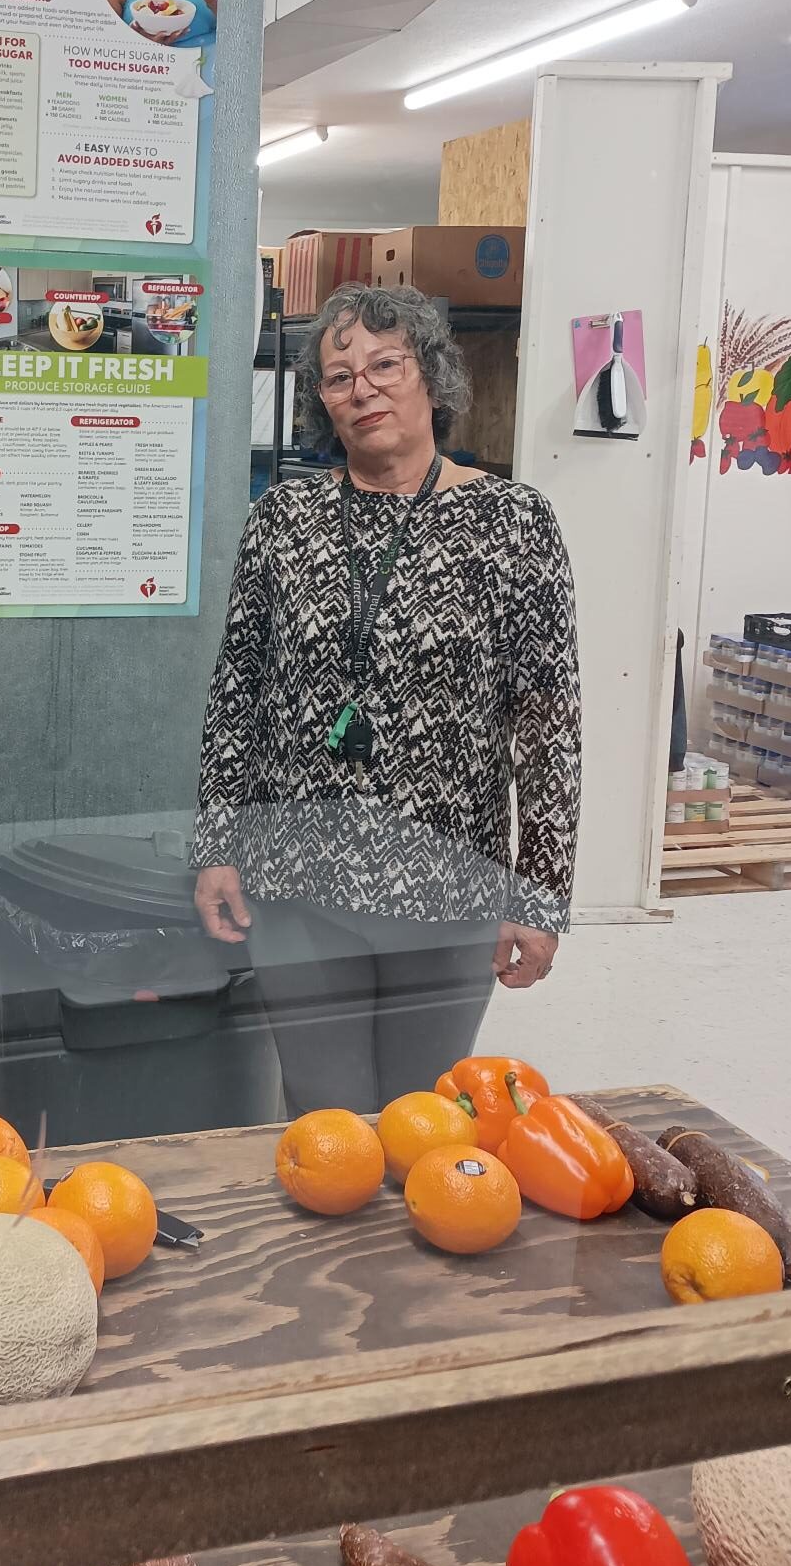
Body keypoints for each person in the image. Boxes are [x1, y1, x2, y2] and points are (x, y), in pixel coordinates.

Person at [193, 283, 582, 1118]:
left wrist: (541, 896)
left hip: (449, 887)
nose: (361, 387)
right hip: (295, 880)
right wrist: (216, 845)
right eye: (338, 377)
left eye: (384, 364)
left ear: (431, 380)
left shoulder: (514, 524)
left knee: (423, 1123)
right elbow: (236, 692)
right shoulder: (283, 521)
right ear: (322, 403)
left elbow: (547, 725)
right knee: (324, 1116)